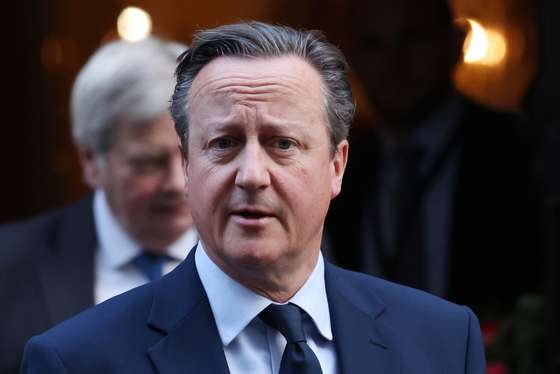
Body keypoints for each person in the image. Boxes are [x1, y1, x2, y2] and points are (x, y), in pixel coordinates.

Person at [21, 22, 485, 374]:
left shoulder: (442, 341)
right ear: (187, 165)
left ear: (336, 165)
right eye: (223, 144)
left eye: (282, 144)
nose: (251, 175)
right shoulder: (76, 360)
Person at [326, 0, 541, 315]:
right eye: (372, 44)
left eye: (412, 39)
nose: (393, 62)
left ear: (455, 44)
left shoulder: (519, 149)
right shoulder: (338, 170)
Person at [0, 37, 197, 373]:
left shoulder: (267, 254)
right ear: (90, 160)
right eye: (148, 162)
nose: (178, 184)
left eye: (191, 154)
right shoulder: (10, 265)